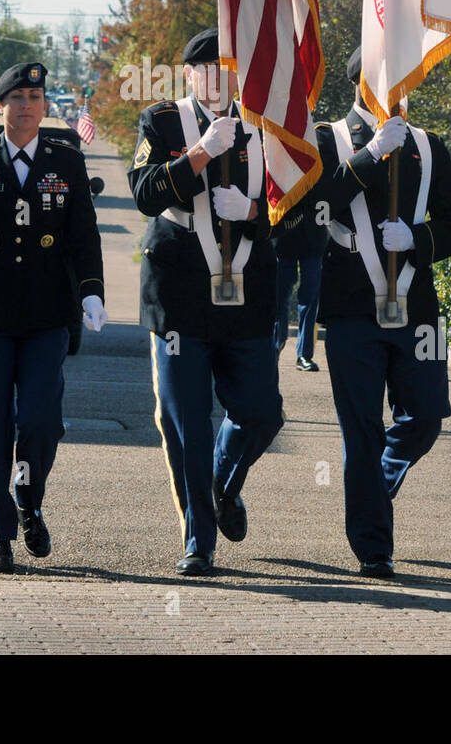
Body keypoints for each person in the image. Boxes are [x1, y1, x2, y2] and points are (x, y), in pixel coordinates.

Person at [127, 28, 291, 576]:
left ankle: (223, 481)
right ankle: (199, 540)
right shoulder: (163, 121)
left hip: (247, 297)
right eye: (208, 70)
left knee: (262, 412)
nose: (219, 80)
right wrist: (199, 154)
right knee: (187, 422)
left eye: (228, 69)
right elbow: (145, 193)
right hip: (180, 298)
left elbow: (293, 212)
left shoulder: (266, 127)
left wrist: (250, 211)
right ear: (191, 74)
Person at [313, 46, 451, 578]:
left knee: (426, 415)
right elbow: (314, 205)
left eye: (402, 80)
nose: (395, 90)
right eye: (383, 80)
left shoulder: (429, 146)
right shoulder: (327, 139)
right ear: (359, 81)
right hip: (351, 307)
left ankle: (374, 490)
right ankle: (373, 545)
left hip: (416, 307)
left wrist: (420, 238)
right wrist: (369, 156)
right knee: (362, 429)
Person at [0, 60, 105, 575]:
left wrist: (92, 292)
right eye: (18, 98)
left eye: (36, 98)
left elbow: (84, 235)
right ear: (0, 106)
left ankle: (28, 501)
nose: (29, 106)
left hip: (46, 314)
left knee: (39, 421)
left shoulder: (65, 160)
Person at [273, 199, 328, 371]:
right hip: (284, 235)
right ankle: (276, 346)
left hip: (315, 238)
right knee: (279, 297)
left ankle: (304, 354)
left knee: (310, 298)